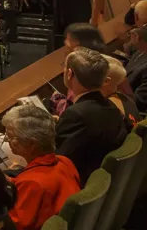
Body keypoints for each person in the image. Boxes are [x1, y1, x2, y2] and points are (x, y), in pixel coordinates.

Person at [1, 104, 81, 230]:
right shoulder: (64, 161)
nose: (7, 141)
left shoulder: (32, 184)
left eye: (11, 137)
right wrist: (11, 182)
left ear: (31, 144)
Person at [55, 47, 128, 184]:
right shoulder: (111, 106)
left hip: (77, 183)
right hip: (102, 181)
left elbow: (60, 162)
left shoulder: (76, 115)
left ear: (69, 74)